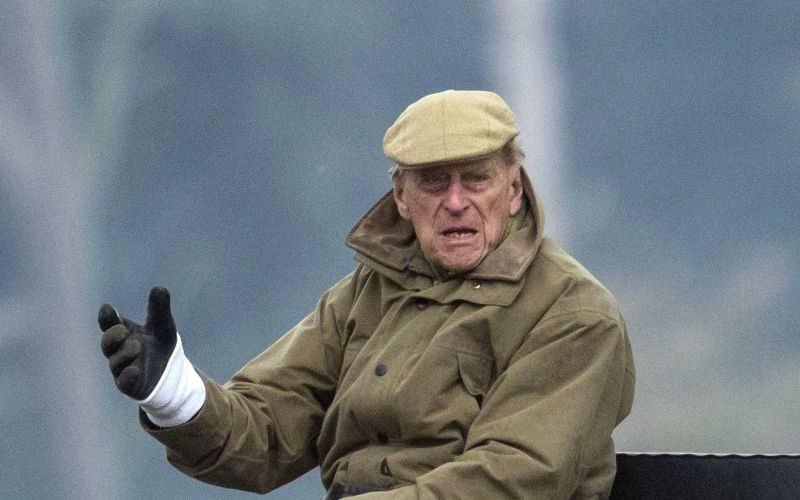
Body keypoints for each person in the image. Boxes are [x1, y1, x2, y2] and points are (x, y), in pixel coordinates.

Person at [99, 90, 635, 499]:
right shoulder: (365, 293)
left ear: (514, 190)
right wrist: (175, 394)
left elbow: (509, 480)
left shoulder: (573, 313)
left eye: (476, 180)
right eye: (433, 182)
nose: (455, 202)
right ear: (401, 196)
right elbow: (269, 428)